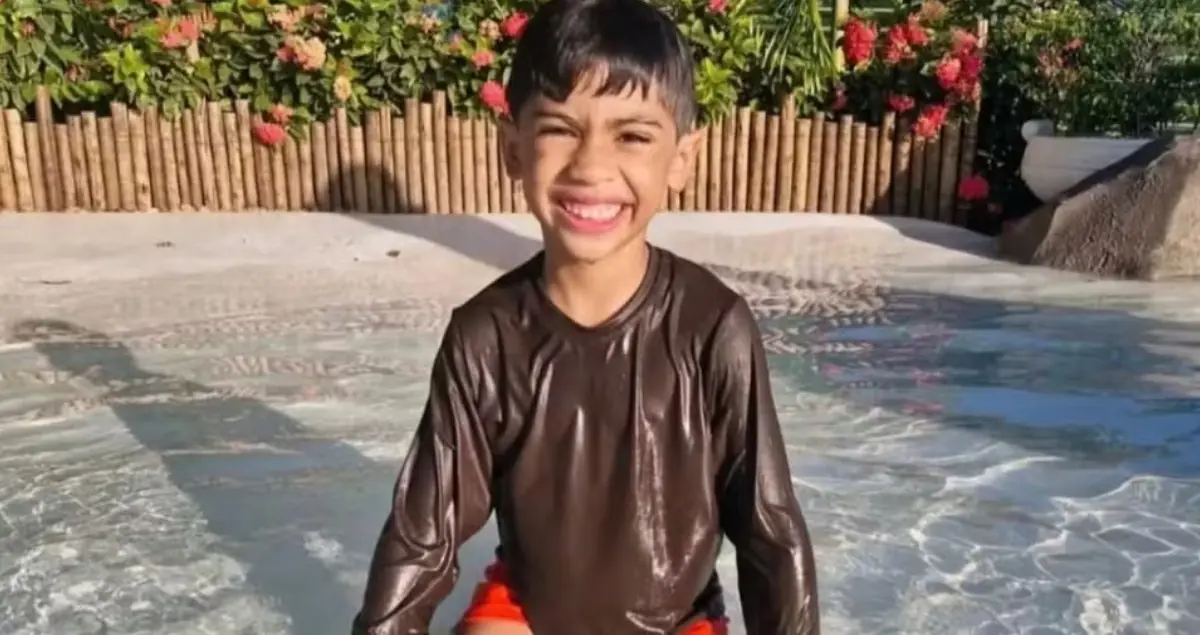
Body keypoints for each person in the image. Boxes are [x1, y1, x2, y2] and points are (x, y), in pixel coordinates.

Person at [351, 0, 819, 632]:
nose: (591, 166)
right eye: (559, 129)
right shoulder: (486, 336)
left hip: (676, 618)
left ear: (682, 158)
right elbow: (422, 538)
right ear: (513, 148)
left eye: (632, 136)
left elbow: (770, 531)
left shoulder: (712, 326)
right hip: (525, 609)